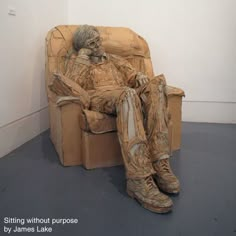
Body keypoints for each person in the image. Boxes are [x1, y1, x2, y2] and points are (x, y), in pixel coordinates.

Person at [64, 25, 180, 213]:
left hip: (126, 93)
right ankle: (139, 178)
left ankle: (160, 164)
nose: (97, 44)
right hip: (101, 96)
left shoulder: (114, 59)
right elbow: (72, 85)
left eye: (98, 39)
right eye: (90, 42)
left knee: (156, 85)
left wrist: (140, 77)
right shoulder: (79, 61)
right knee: (127, 94)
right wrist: (83, 56)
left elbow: (132, 74)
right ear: (82, 47)